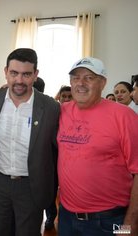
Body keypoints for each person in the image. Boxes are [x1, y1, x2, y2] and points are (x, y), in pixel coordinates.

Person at [0, 48, 60, 236]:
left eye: (26, 74)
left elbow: (56, 150)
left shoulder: (50, 107)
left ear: (35, 75)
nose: (19, 80)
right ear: (6, 72)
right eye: (14, 73)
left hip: (31, 184)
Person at [57, 57, 138, 235]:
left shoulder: (124, 116)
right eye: (76, 78)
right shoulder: (61, 112)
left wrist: (131, 223)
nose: (81, 83)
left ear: (103, 83)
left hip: (110, 220)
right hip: (66, 216)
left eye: (89, 78)